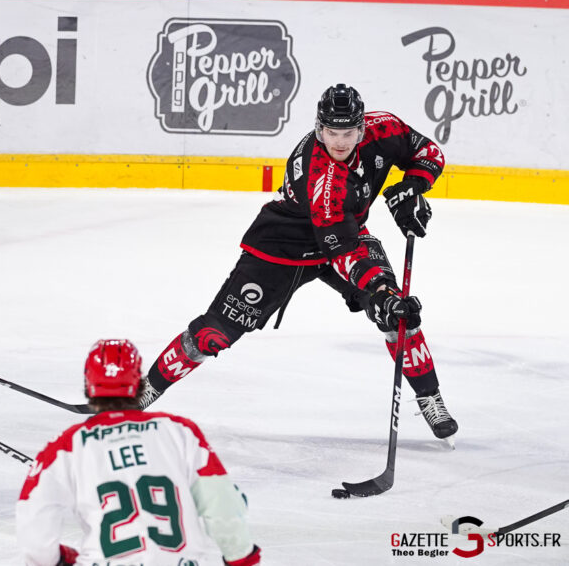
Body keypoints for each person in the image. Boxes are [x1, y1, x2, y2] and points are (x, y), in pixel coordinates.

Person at [136, 84, 459, 442]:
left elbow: (428, 152)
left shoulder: (384, 128)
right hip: (284, 245)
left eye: (348, 132)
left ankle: (431, 398)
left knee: (396, 314)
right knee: (216, 333)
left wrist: (414, 185)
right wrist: (378, 289)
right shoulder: (322, 178)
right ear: (319, 128)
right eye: (331, 132)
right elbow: (343, 252)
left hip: (345, 231)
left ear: (362, 128)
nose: (339, 141)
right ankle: (146, 389)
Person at [16, 339, 261, 566]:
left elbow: (34, 529)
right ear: (139, 383)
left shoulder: (65, 446)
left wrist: (57, 560)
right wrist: (240, 557)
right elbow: (222, 503)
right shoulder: (180, 432)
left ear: (88, 386)